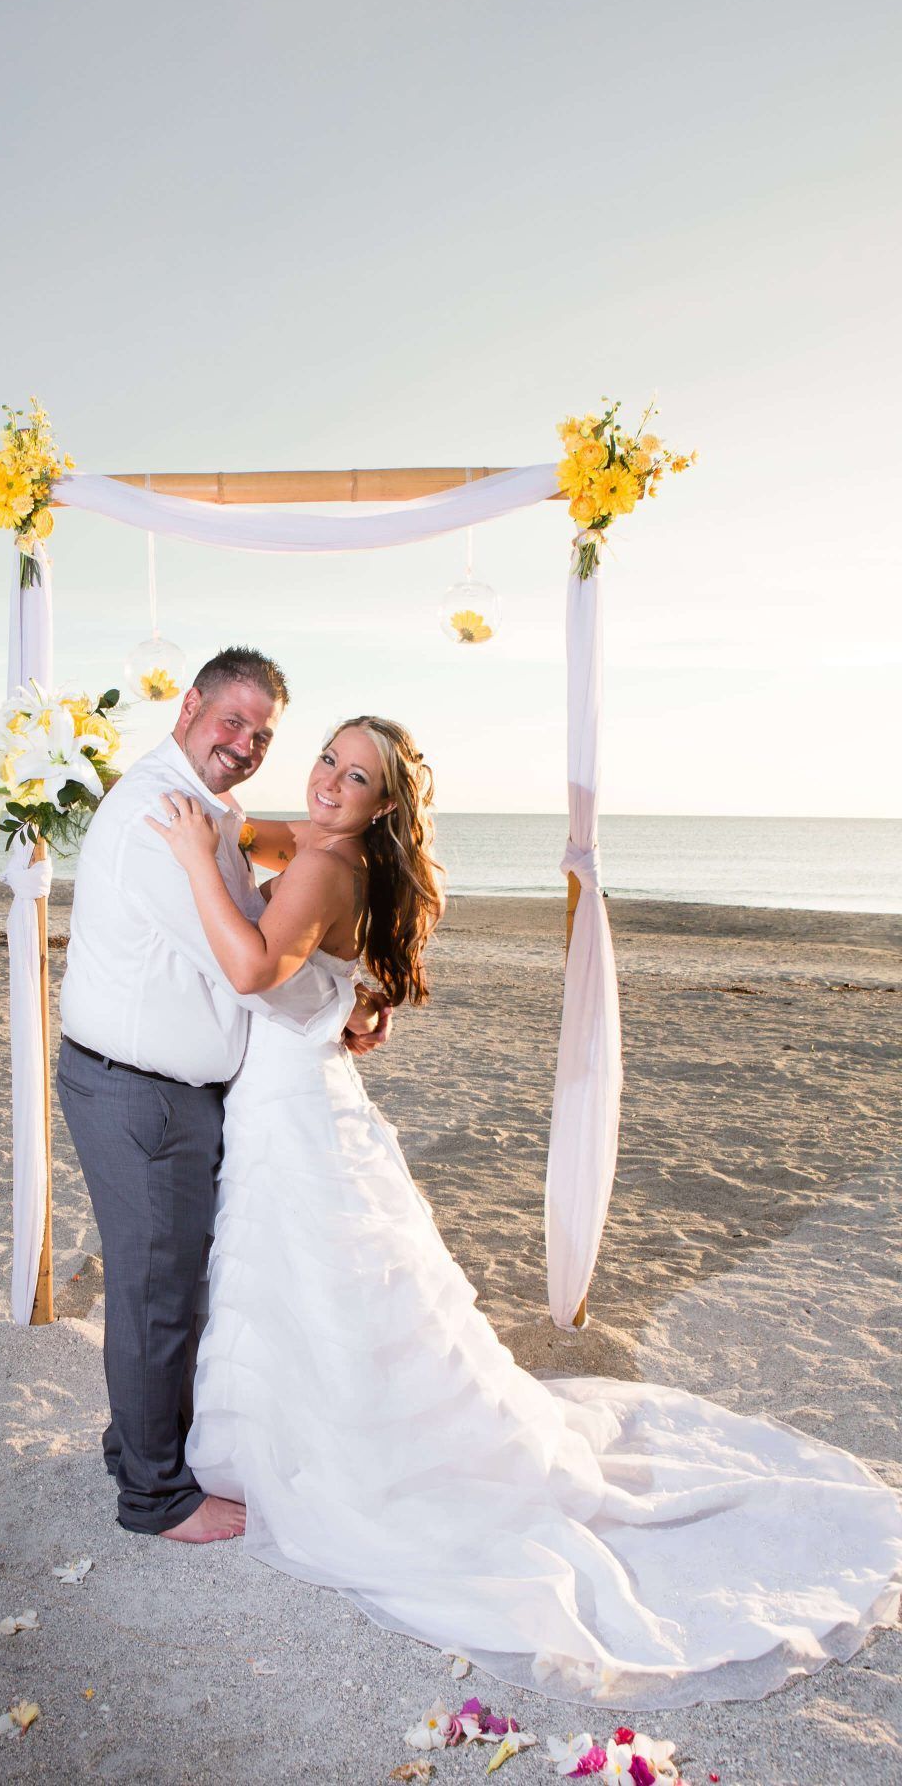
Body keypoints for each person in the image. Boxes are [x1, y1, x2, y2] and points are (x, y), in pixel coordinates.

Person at [148, 714, 902, 1710]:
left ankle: (334, 1462)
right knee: (309, 1287)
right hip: (296, 1099)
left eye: (356, 777)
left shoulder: (328, 870)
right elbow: (273, 841)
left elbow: (250, 967)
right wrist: (231, 828)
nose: (330, 781)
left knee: (310, 1282)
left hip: (293, 1109)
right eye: (328, 758)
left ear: (384, 806)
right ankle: (289, 1446)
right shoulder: (328, 851)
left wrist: (195, 852)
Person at [56, 649, 388, 1546]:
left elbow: (289, 893)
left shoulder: (211, 810)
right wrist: (337, 1000)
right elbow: (249, 965)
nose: (244, 744)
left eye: (263, 734)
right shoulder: (165, 818)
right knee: (156, 1291)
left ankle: (139, 1446)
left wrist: (345, 999)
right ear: (189, 705)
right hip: (140, 1092)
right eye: (230, 722)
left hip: (184, 1092)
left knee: (178, 1282)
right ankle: (155, 1497)